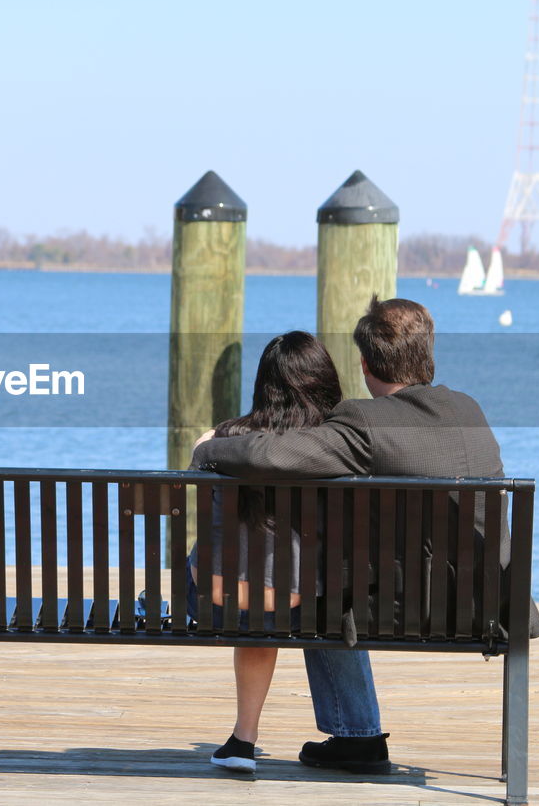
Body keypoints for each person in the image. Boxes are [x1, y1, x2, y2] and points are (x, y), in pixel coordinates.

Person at [192, 296, 539, 775]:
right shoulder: (468, 409)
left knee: (314, 591)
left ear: (364, 363)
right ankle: (356, 738)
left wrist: (212, 447)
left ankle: (353, 736)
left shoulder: (364, 421)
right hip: (488, 605)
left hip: (402, 610)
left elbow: (273, 455)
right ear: (428, 353)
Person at [187, 330, 343, 773]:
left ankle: (244, 738)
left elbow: (199, 465)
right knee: (281, 583)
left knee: (246, 583)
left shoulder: (218, 439)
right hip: (296, 605)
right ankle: (354, 730)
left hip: (209, 599)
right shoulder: (332, 448)